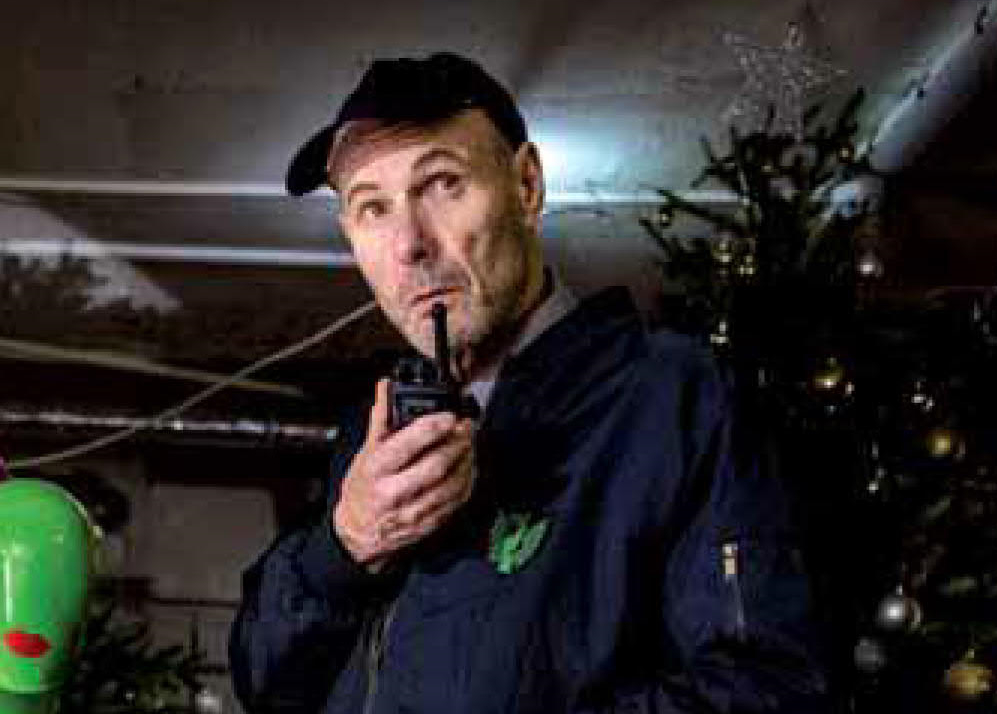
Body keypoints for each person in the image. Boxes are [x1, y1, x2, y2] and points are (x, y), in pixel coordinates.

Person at [229, 53, 829, 714]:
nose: (409, 245)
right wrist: (345, 546)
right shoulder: (372, 436)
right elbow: (265, 682)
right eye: (372, 208)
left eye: (442, 184)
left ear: (527, 185)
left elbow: (766, 688)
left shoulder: (676, 395)